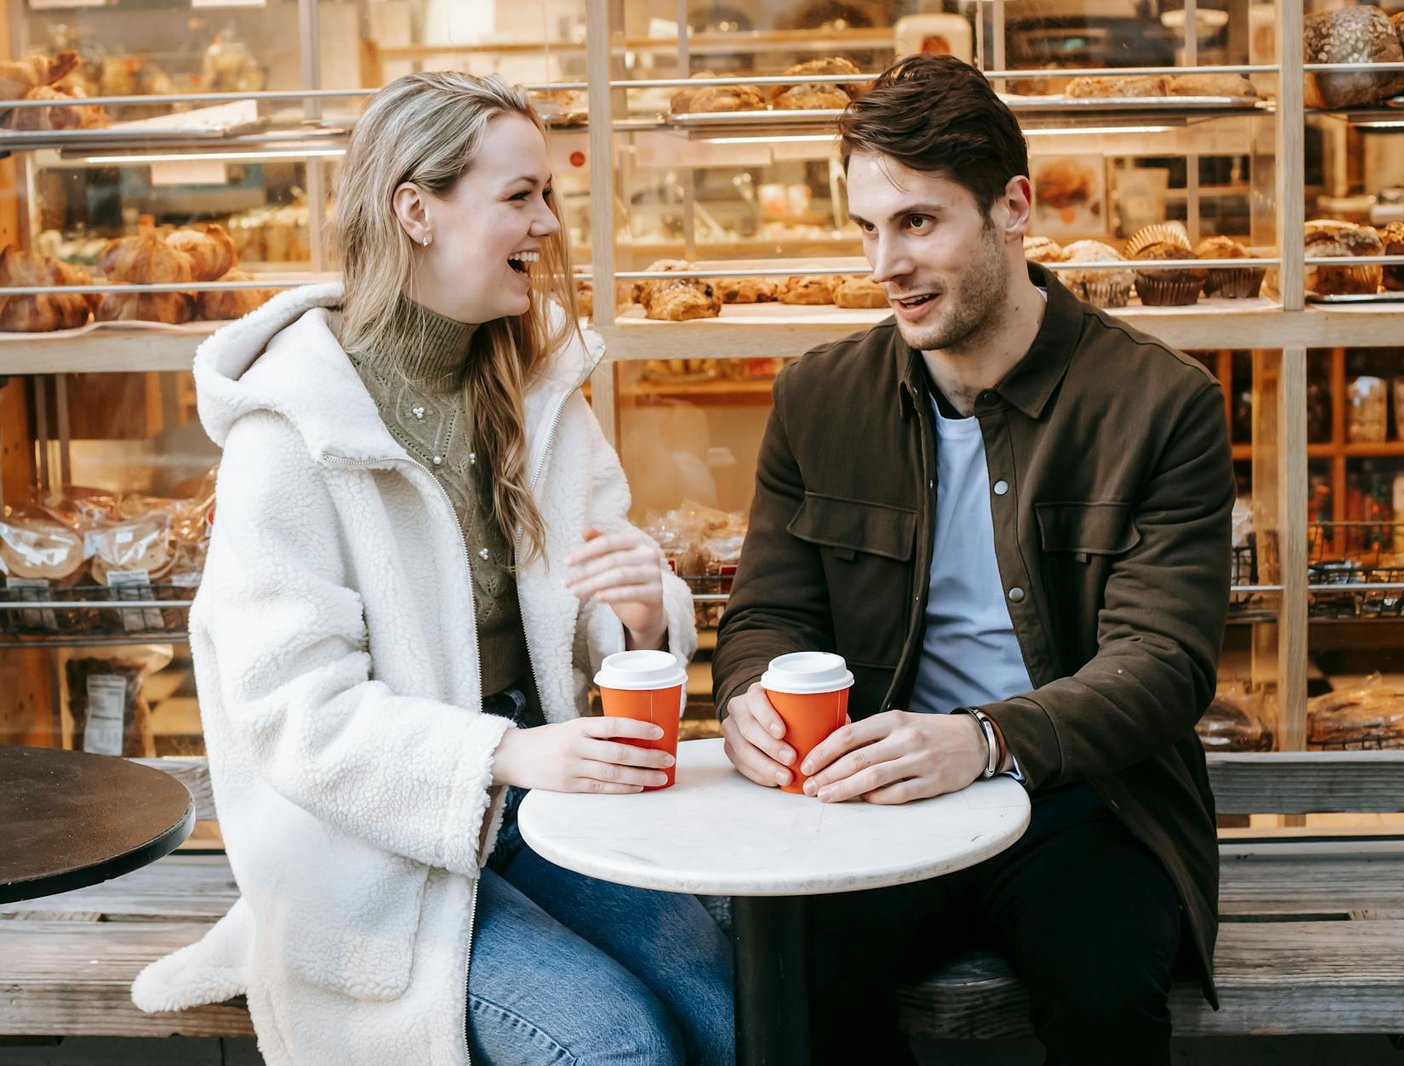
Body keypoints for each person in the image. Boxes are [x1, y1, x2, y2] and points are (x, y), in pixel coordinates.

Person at [131, 72, 734, 1066]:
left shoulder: (536, 394)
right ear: (416, 209)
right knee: (612, 1042)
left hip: (546, 800)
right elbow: (299, 715)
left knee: (723, 1003)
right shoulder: (292, 430)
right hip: (373, 851)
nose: (548, 221)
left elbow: (607, 616)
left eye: (548, 194)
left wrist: (636, 615)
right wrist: (496, 753)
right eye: (520, 196)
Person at [712, 54, 1233, 1065]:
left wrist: (984, 739)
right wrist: (746, 697)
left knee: (1107, 996)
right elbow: (768, 615)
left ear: (1012, 208)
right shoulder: (819, 396)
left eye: (917, 223)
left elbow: (1163, 665)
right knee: (791, 989)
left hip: (1087, 797)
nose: (884, 265)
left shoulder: (1159, 403)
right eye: (867, 228)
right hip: (874, 800)